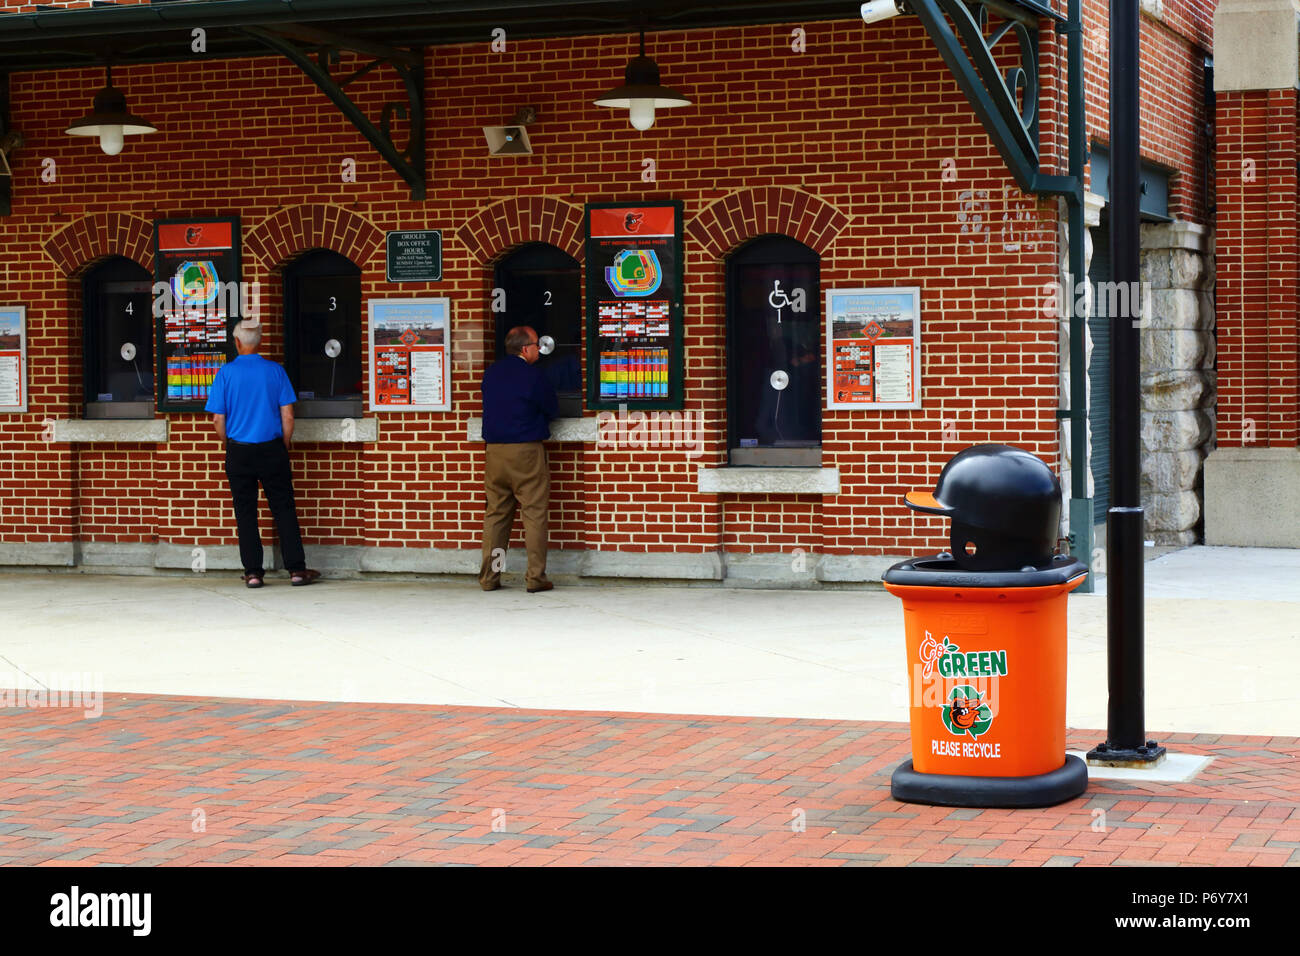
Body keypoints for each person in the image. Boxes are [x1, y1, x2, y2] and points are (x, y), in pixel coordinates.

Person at [205, 323, 320, 589]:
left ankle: (254, 573)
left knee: (245, 512)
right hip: (272, 448)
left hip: (238, 450)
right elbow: (288, 416)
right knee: (284, 508)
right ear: (259, 342)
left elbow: (217, 419)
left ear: (236, 342)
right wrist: (285, 445)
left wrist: (229, 443)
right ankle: (297, 570)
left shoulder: (226, 373)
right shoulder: (275, 371)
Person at [479, 325, 558, 593]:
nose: (539, 349)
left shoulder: (491, 373)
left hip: (494, 452)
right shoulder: (533, 376)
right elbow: (551, 408)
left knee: (497, 516)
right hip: (525, 452)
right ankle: (535, 578)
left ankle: (491, 577)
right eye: (537, 345)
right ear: (526, 348)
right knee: (534, 513)